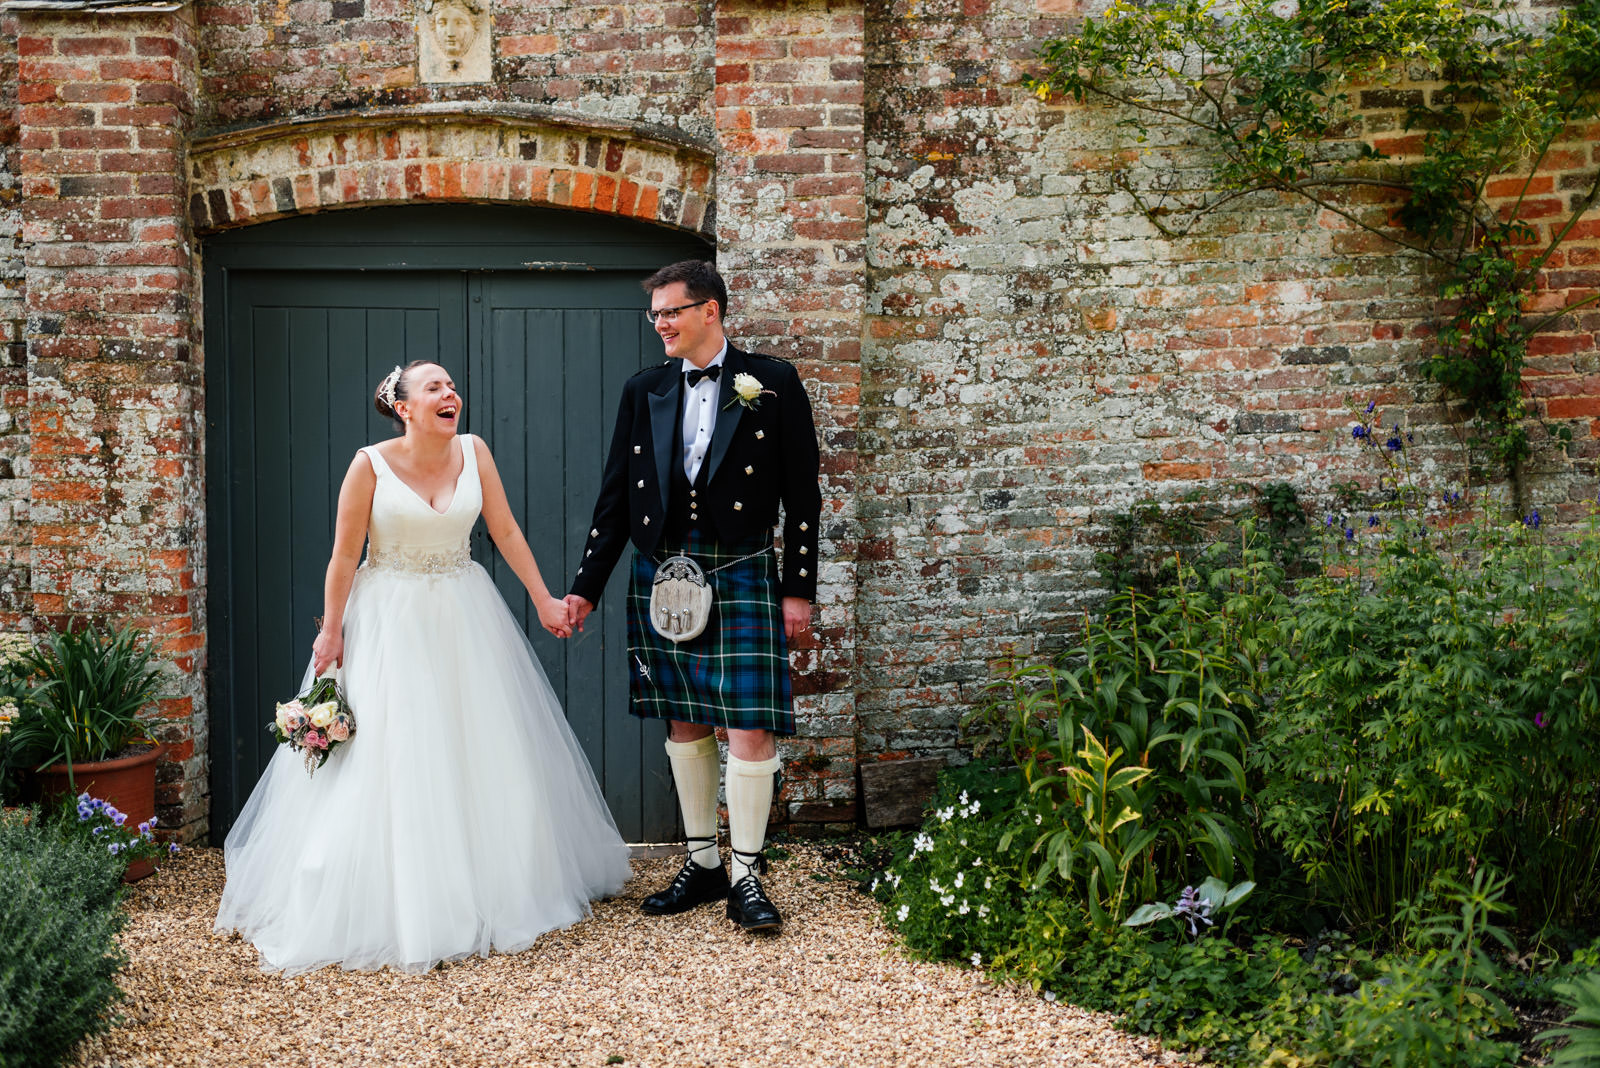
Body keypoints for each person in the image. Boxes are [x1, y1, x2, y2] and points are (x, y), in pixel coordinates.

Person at [215, 362, 630, 975]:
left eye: (451, 387)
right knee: (396, 750)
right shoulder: (369, 465)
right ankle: (395, 901)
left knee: (479, 747)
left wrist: (544, 598)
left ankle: (495, 887)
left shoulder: (474, 450)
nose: (450, 394)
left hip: (464, 613)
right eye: (434, 387)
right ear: (403, 407)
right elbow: (342, 556)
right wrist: (332, 633)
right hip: (389, 619)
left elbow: (506, 529)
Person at [565, 260, 822, 934]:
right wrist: (585, 588)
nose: (661, 325)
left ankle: (747, 875)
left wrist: (798, 589)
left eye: (670, 312)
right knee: (683, 718)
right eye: (654, 315)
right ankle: (704, 863)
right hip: (665, 570)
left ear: (710, 310)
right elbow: (616, 494)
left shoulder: (772, 381)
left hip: (738, 565)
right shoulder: (643, 389)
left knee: (748, 726)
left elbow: (803, 496)